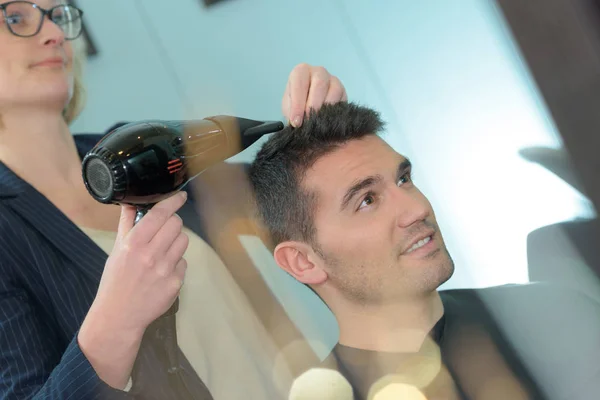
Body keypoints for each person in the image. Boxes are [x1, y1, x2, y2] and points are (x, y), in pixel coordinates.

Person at [0, 0, 348, 398]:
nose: (55, 34)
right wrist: (114, 325)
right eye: (14, 19)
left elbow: (291, 201)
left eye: (58, 15)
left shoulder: (137, 152)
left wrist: (321, 131)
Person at [248, 102, 600, 400]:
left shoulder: (554, 311)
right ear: (303, 261)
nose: (416, 208)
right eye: (367, 200)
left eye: (403, 179)